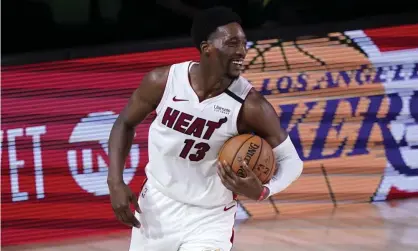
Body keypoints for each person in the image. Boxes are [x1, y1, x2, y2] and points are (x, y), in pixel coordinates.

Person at [107, 6, 303, 251]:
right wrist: (115, 182)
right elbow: (124, 123)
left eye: (244, 43)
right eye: (232, 43)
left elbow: (292, 161)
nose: (242, 51)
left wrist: (263, 190)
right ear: (206, 48)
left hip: (210, 218)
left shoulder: (251, 105)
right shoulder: (163, 82)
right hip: (157, 206)